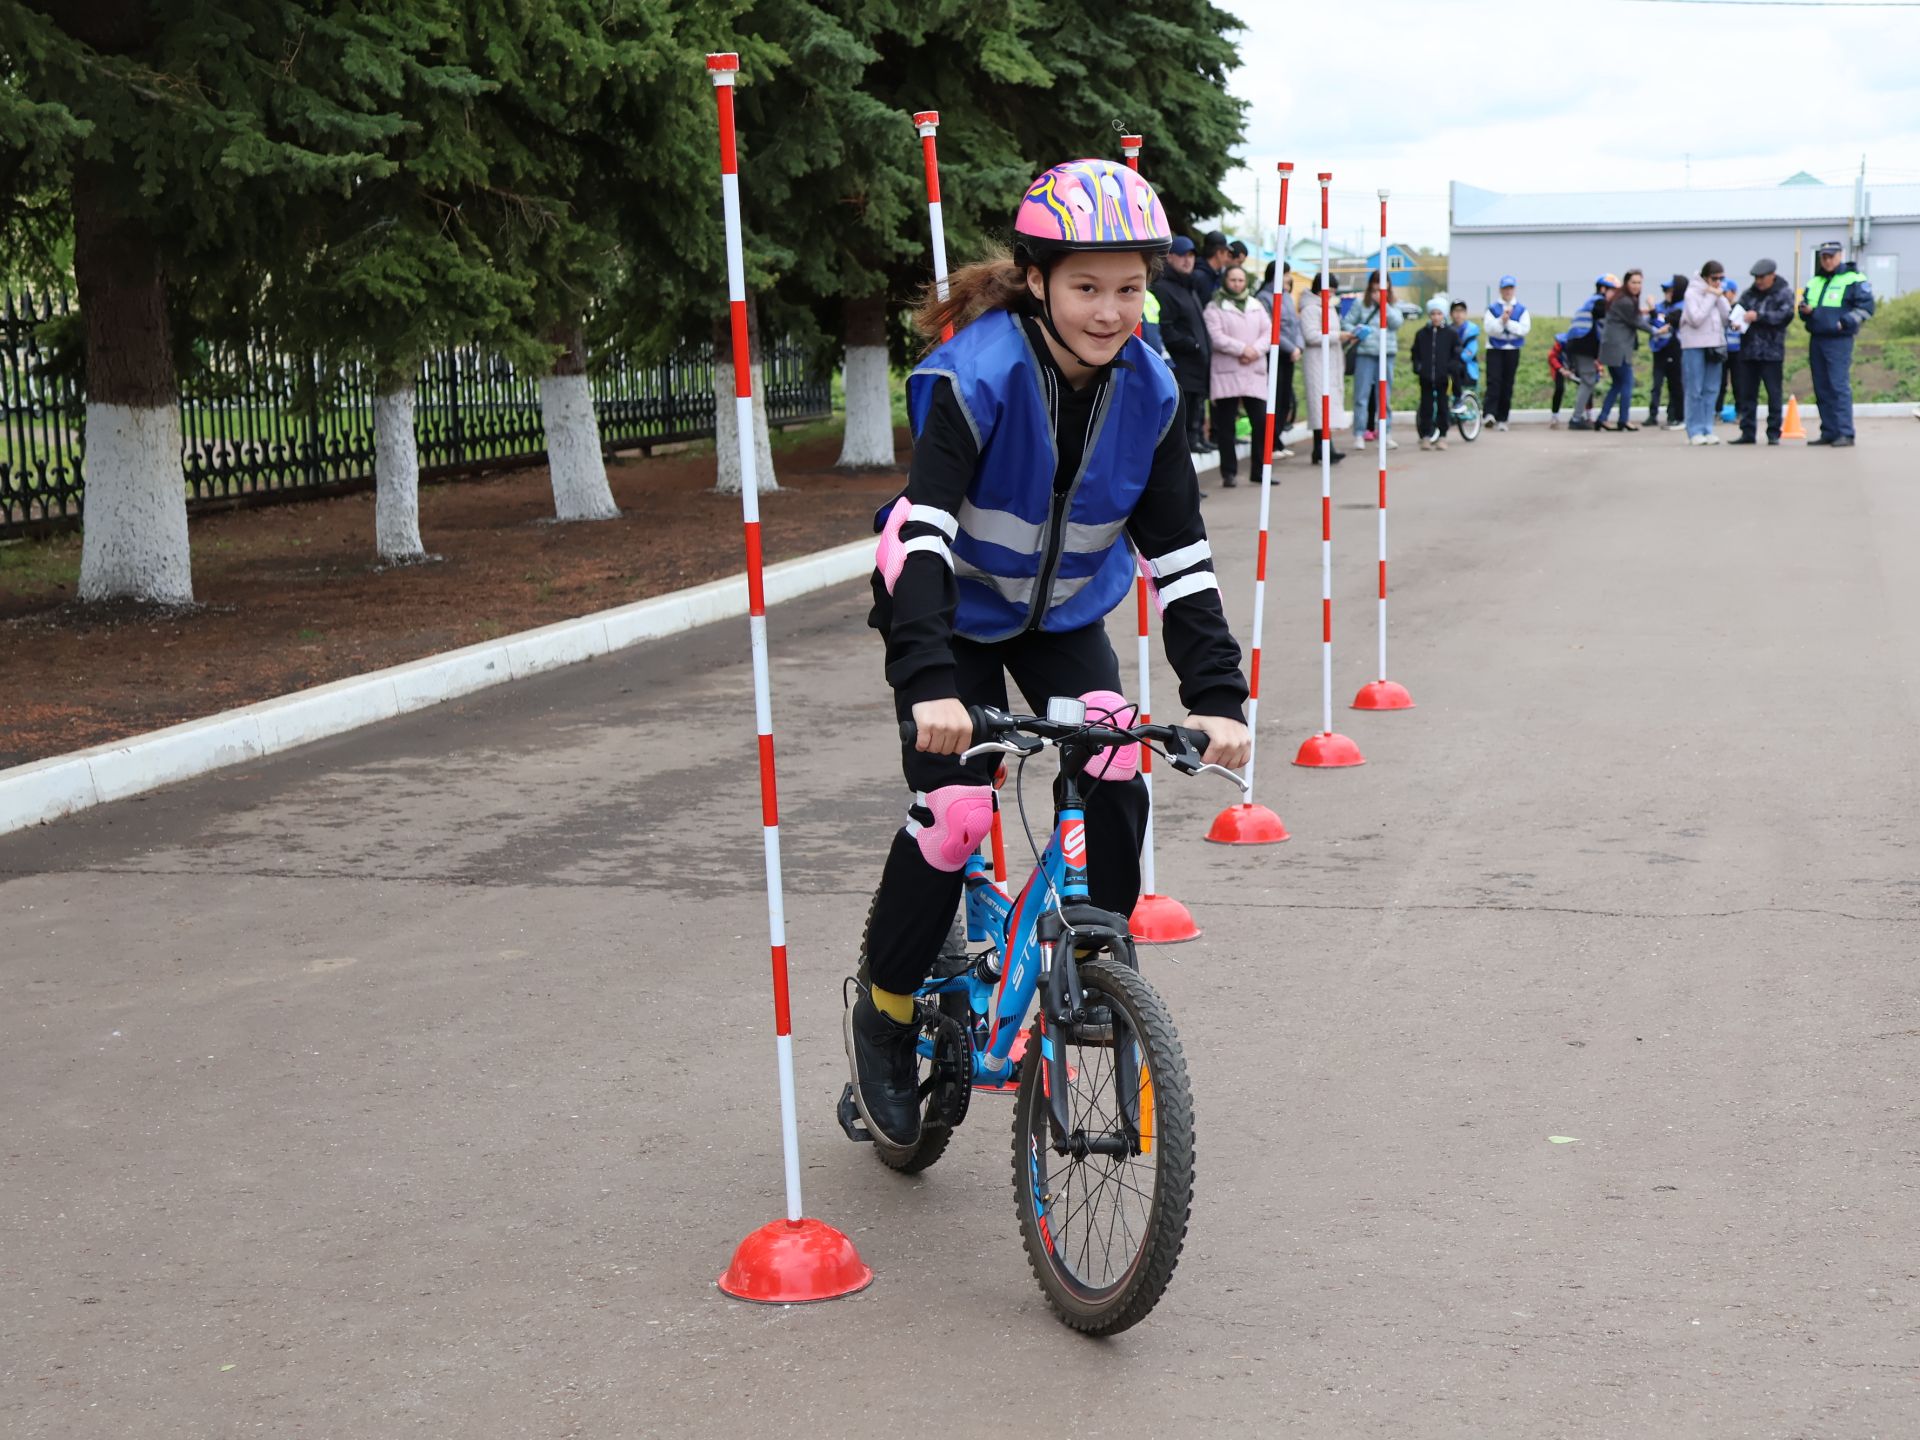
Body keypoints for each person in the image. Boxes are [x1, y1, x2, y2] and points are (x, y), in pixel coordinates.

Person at [851, 158, 1251, 1149]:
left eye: (1128, 288)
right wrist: (936, 684)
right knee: (953, 812)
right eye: (1086, 287)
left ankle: (1099, 964)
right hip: (943, 607)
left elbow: (1181, 555)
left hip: (1063, 611)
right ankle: (887, 1017)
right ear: (1036, 279)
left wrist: (1217, 696)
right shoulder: (975, 374)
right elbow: (930, 533)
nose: (1111, 312)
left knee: (1117, 756)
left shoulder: (1150, 391)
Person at [1799, 239, 1875, 447]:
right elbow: (1806, 306)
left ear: (1840, 256)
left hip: (1839, 340)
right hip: (1817, 338)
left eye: (1831, 256)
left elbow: (1867, 307)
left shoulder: (1854, 279)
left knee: (1838, 386)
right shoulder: (1815, 281)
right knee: (1821, 387)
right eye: (1824, 257)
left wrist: (1846, 322)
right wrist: (1805, 310)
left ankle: (1845, 432)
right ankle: (1829, 431)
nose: (1827, 261)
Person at [1203, 262, 1271, 488]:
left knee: (1261, 421)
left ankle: (1259, 470)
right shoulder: (1214, 306)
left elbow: (1268, 332)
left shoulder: (1256, 305)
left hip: (1254, 370)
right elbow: (1216, 337)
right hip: (1228, 372)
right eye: (1233, 280)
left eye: (1241, 280)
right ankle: (1229, 472)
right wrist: (1242, 349)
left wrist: (1255, 351)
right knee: (1226, 426)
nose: (1237, 284)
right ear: (1225, 281)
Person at [1152, 236, 1212, 454]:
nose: (1188, 260)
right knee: (1183, 418)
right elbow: (1166, 329)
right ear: (1170, 257)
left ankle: (1197, 440)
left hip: (1198, 366)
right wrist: (1192, 345)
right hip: (1182, 367)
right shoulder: (1164, 288)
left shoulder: (1189, 287)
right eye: (1182, 255)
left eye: (1191, 255)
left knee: (1196, 409)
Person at [1731, 259, 1793, 444]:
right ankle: (1747, 432)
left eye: (1762, 277)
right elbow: (1736, 312)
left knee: (1774, 394)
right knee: (1747, 394)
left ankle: (1774, 433)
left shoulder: (1783, 293)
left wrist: (1759, 317)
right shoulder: (1749, 295)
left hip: (1772, 353)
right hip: (1749, 352)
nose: (1759, 281)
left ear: (1772, 275)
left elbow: (1785, 315)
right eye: (1756, 278)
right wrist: (1735, 323)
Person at [1595, 269, 1665, 432]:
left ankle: (1603, 417)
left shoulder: (1622, 299)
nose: (1636, 286)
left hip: (1612, 348)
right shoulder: (1625, 301)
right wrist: (1656, 331)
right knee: (1627, 382)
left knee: (1617, 384)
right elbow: (1637, 322)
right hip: (1618, 349)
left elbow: (1635, 317)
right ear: (1626, 283)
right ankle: (1623, 419)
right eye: (1633, 282)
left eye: (1639, 282)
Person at [1342, 270, 1404, 447]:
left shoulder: (1393, 303)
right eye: (1377, 282)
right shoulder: (1361, 303)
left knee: (1384, 396)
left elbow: (1397, 323)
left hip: (1387, 354)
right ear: (1371, 284)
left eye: (1384, 282)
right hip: (1365, 353)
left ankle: (1386, 432)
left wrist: (1384, 305)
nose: (1380, 286)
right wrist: (1358, 331)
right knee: (1361, 395)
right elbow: (1347, 322)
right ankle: (1359, 433)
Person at [1298, 273, 1350, 464]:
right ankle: (1322, 448)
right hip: (1317, 362)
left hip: (1331, 359)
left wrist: (1343, 336)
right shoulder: (1311, 309)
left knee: (1326, 405)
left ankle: (1323, 447)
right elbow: (1311, 336)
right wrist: (1338, 336)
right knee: (1320, 405)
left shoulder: (1327, 307)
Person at [1678, 259, 1732, 445]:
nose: (1717, 282)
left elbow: (1727, 316)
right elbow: (1696, 319)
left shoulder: (1717, 292)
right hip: (1694, 345)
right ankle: (1694, 430)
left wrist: (1720, 296)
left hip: (1715, 344)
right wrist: (1711, 297)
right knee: (1695, 389)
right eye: (1714, 278)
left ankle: (1708, 427)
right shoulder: (1692, 293)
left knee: (1711, 389)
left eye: (1721, 278)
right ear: (1705, 277)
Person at [1256, 260, 1302, 455]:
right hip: (1274, 355)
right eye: (1285, 274)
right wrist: (1290, 348)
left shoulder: (1287, 298)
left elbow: (1295, 324)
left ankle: (1278, 438)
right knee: (1273, 399)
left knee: (1284, 399)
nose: (1288, 278)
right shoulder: (1264, 298)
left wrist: (1298, 346)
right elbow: (1271, 327)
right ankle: (1271, 441)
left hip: (1290, 355)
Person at [1563, 274, 1616, 430]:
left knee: (1588, 380)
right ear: (1603, 289)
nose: (1614, 295)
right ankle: (1576, 418)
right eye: (1612, 290)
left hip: (1578, 345)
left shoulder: (1591, 302)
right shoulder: (1599, 303)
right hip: (1583, 346)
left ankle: (1578, 416)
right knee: (1588, 381)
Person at [1411, 296, 1462, 450]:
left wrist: (1449, 368)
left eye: (1439, 314)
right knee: (1426, 407)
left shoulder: (1451, 334)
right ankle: (1425, 436)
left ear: (1444, 315)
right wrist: (1418, 367)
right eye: (1433, 314)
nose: (1436, 317)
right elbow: (1415, 353)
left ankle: (1442, 436)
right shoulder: (1421, 334)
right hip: (1426, 378)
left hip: (1443, 378)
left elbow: (1456, 353)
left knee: (1442, 406)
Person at [1482, 274, 1531, 430]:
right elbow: (1490, 329)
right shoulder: (1492, 309)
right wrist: (1500, 321)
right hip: (1495, 349)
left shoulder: (1521, 309)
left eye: (1510, 288)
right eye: (1505, 288)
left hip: (1512, 350)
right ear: (1500, 290)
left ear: (1514, 289)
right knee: (1493, 381)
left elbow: (1523, 329)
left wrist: (1507, 323)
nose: (1508, 291)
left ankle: (1503, 418)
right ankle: (1489, 413)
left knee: (1507, 384)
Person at [1645, 275, 1687, 430]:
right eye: (1666, 291)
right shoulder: (1662, 306)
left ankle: (1676, 416)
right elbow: (1653, 323)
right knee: (1658, 384)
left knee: (1675, 385)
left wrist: (1652, 311)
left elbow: (1664, 321)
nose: (1668, 294)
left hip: (1676, 349)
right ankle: (1654, 414)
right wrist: (1654, 315)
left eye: (1671, 290)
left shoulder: (1682, 306)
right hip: (1659, 350)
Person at [1450, 301, 1480, 409]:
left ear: (1466, 313)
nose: (1458, 314)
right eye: (1455, 311)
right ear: (1451, 314)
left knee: (1455, 368)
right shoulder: (1447, 330)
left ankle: (1458, 400)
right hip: (1449, 366)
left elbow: (1469, 353)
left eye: (1461, 311)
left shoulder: (1471, 332)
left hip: (1467, 370)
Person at [1194, 229, 1230, 303]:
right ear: (1219, 253)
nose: (1227, 258)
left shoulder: (1218, 275)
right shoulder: (1198, 276)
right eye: (1227, 253)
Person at [1548, 331, 1572, 428]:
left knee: (1586, 386)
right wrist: (1561, 369)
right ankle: (1555, 416)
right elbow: (1551, 357)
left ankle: (1588, 415)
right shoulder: (1561, 342)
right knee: (1559, 388)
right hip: (1559, 367)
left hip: (1576, 366)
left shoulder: (1583, 342)